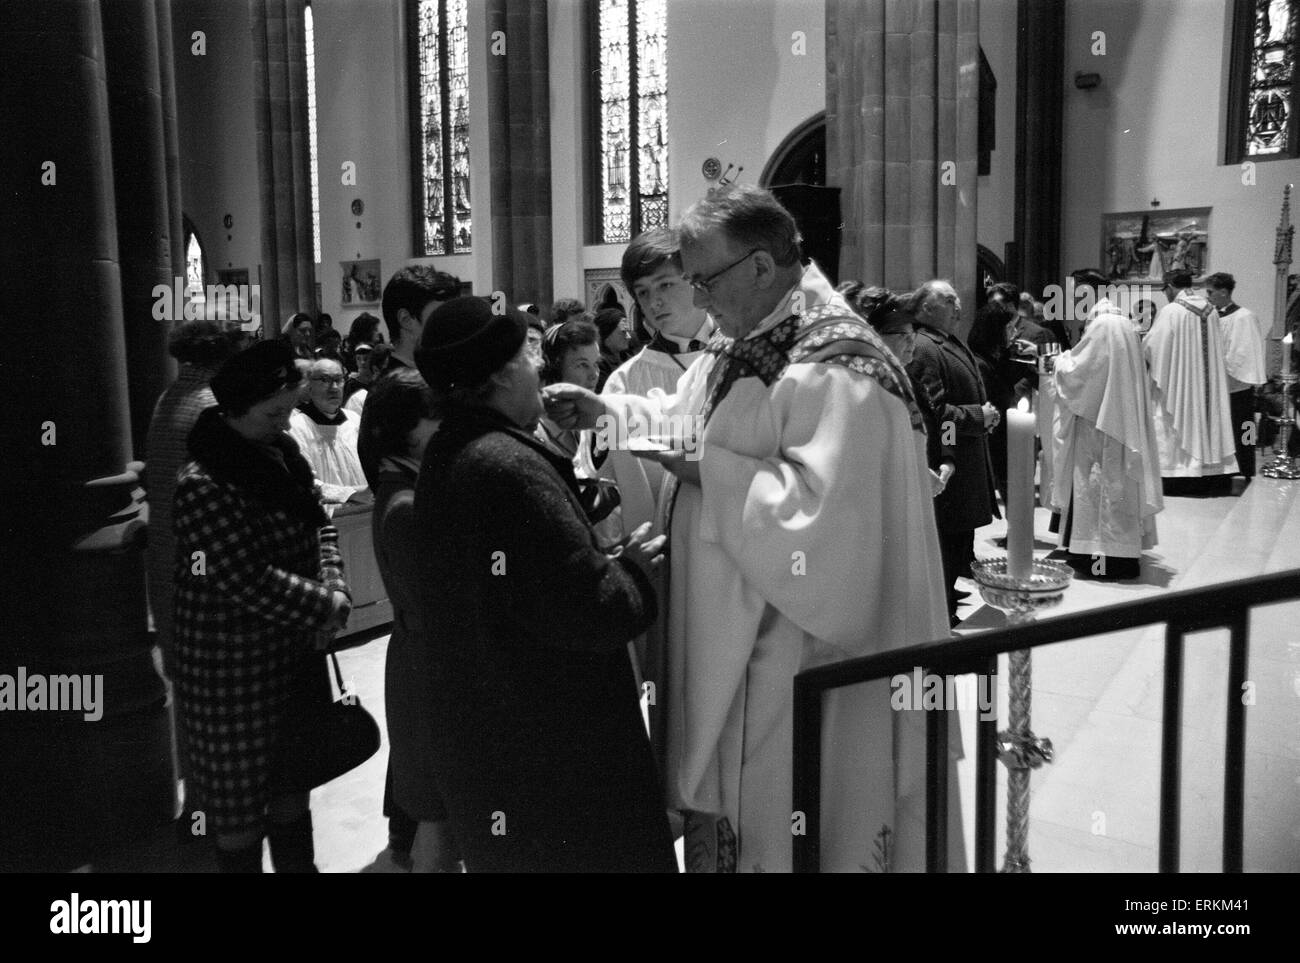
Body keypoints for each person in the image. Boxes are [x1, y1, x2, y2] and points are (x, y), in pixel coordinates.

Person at [546, 185, 951, 873]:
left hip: (798, 654)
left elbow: (817, 527)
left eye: (706, 280)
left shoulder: (840, 366)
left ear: (763, 267)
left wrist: (701, 466)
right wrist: (607, 414)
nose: (700, 300)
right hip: (738, 650)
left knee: (793, 827)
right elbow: (691, 416)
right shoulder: (752, 339)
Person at [409, 296, 676, 872]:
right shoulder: (507, 467)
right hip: (557, 757)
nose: (540, 371)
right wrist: (632, 573)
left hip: (501, 748)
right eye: (529, 358)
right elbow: (590, 611)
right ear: (503, 375)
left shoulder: (455, 450)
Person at [173, 340, 352, 872]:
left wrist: (335, 586)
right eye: (273, 413)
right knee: (240, 814)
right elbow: (242, 577)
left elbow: (318, 522)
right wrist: (326, 604)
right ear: (232, 411)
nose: (284, 422)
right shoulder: (202, 484)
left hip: (290, 653)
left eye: (288, 410)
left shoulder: (281, 455)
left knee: (292, 792)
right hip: (230, 671)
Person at [357, 369, 460, 873]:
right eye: (435, 415)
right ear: (406, 430)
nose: (446, 424)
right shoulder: (404, 504)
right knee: (438, 821)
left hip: (423, 663)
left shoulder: (409, 487)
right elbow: (438, 606)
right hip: (430, 672)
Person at [144, 319, 240, 836]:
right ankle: (213, 810)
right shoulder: (210, 406)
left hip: (166, 561)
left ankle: (196, 808)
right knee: (215, 697)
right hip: (200, 567)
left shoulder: (168, 398)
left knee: (186, 687)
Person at [1050, 271, 1163, 580]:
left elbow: (1081, 375)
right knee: (1114, 488)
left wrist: (1059, 362)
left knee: (1100, 487)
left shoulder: (1103, 324)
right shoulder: (1121, 322)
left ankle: (1102, 559)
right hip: (1114, 418)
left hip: (1102, 424)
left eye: (1075, 293)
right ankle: (1117, 556)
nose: (1071, 300)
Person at [907, 279, 1001, 625]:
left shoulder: (945, 340)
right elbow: (936, 412)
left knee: (959, 537)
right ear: (927, 308)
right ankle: (940, 612)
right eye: (949, 300)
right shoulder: (922, 346)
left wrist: (983, 417)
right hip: (947, 461)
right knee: (946, 538)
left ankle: (948, 594)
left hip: (964, 458)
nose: (959, 307)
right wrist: (979, 417)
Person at [1144, 269, 1238, 485]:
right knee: (1208, 416)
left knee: (1169, 415)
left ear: (1170, 287)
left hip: (1180, 382)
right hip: (1207, 382)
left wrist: (1141, 347)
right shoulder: (1211, 310)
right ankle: (1210, 472)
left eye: (1165, 289)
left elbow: (1154, 345)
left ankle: (1177, 473)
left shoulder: (1172, 310)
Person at [1205, 272, 1268, 477]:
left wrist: (1224, 366)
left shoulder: (1244, 316)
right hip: (1218, 384)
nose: (1208, 296)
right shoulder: (1212, 316)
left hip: (1238, 384)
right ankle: (1224, 470)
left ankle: (1246, 467)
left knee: (1245, 427)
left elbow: (1244, 351)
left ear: (1224, 292)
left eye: (1210, 292)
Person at [287, 357, 368, 507]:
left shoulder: (354, 420)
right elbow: (305, 482)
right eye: (325, 380)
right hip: (326, 515)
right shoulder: (296, 427)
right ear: (309, 386)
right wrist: (350, 494)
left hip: (362, 512)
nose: (334, 387)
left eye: (339, 379)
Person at [536, 318, 601, 460]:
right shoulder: (535, 431)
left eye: (596, 364)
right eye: (582, 365)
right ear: (554, 368)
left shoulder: (594, 420)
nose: (594, 375)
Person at [382, 267, 461, 370]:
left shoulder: (435, 372)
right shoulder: (396, 384)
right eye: (439, 317)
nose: (451, 326)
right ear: (406, 320)